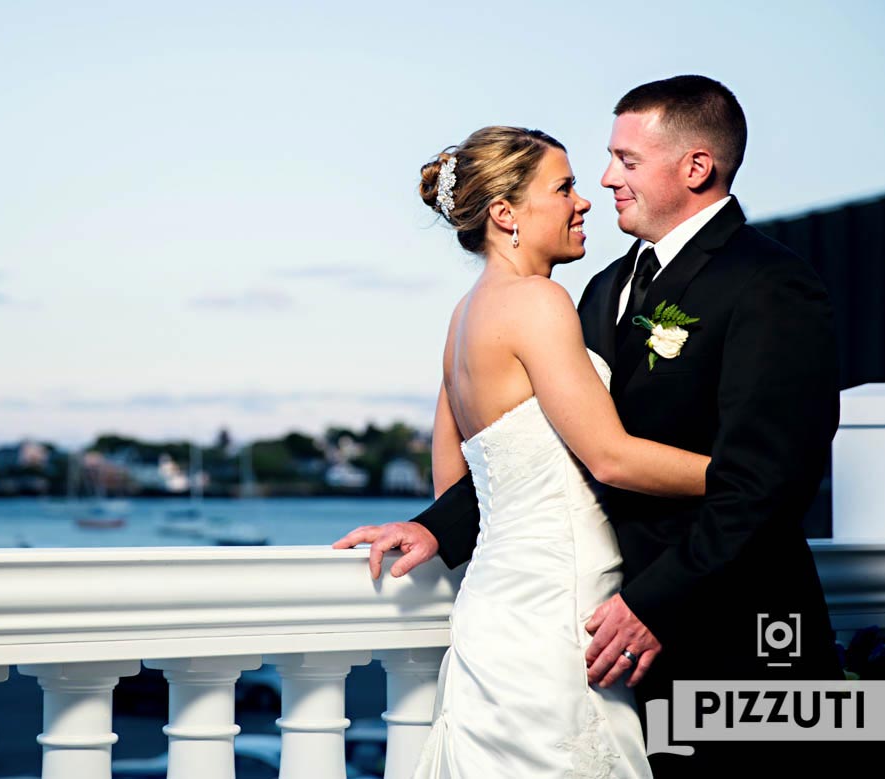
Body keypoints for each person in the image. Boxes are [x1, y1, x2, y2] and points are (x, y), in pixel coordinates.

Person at [335, 76, 843, 776]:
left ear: (694, 167)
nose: (604, 182)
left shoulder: (769, 283)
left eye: (625, 161)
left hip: (733, 632)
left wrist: (653, 601)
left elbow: (773, 477)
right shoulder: (598, 287)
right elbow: (547, 444)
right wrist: (438, 525)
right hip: (607, 637)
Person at [343, 124, 717, 777]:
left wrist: (431, 527)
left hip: (492, 611)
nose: (585, 201)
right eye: (564, 187)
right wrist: (745, 476)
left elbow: (450, 480)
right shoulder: (538, 303)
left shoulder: (462, 318)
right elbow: (610, 458)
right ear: (504, 214)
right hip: (554, 614)